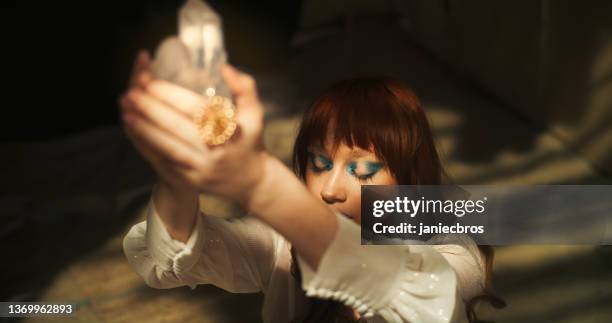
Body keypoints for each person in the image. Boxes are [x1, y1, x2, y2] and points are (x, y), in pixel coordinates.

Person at [120, 50, 499, 323]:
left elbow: (423, 296)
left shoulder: (451, 242)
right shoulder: (283, 243)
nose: (331, 189)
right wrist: (177, 173)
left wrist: (262, 184)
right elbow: (176, 257)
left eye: (363, 170)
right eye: (320, 164)